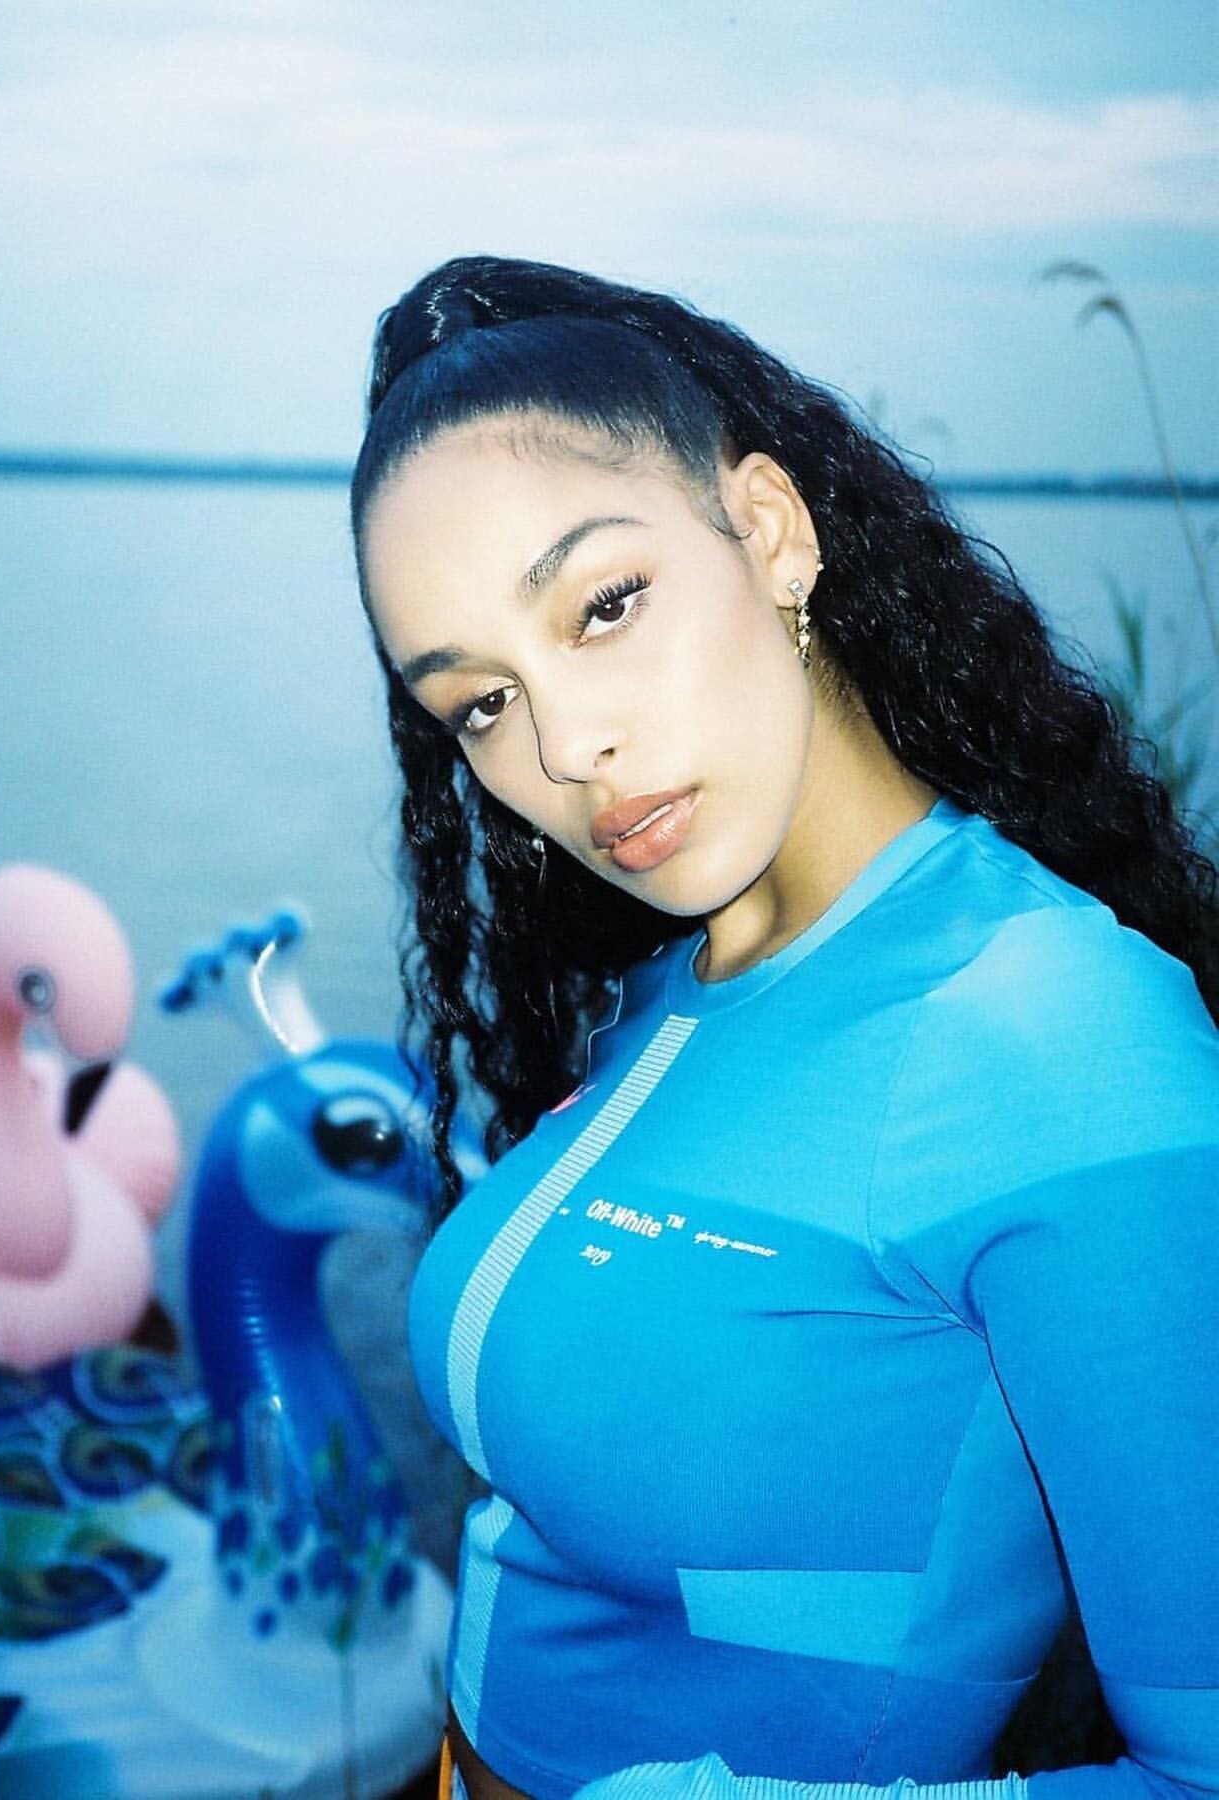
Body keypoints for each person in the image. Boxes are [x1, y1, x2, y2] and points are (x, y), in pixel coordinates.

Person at [346, 254, 1219, 1800]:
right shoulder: (665, 988)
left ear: (768, 531)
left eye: (603, 606)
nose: (566, 746)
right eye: (479, 702)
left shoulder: (1056, 1034)